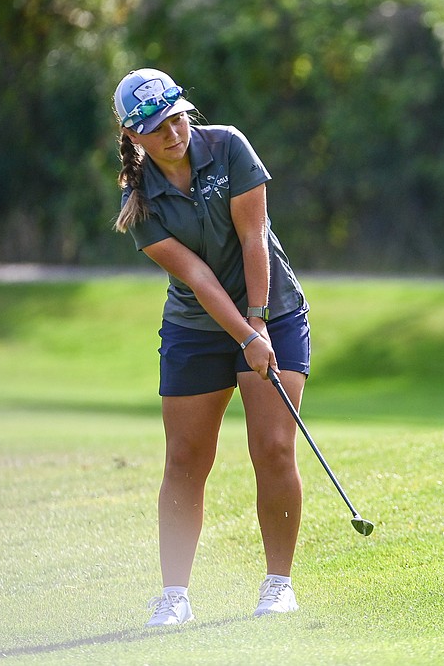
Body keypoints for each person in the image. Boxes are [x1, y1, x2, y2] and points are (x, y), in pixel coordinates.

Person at [112, 68, 310, 626]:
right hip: (194, 329)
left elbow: (254, 238)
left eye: (176, 119)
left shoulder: (228, 147)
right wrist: (243, 336)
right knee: (185, 460)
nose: (172, 134)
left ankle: (278, 585)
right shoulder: (138, 198)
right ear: (133, 137)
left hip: (274, 311)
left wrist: (258, 324)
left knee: (273, 448)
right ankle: (174, 596)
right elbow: (198, 277)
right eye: (155, 127)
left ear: (186, 112)